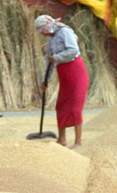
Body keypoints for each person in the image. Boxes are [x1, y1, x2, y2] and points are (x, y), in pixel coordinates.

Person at [34, 15, 88, 149]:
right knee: (62, 106)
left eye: (42, 31)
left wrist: (57, 57)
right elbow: (49, 60)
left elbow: (73, 50)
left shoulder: (65, 32)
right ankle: (62, 139)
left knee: (75, 107)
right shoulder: (52, 38)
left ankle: (78, 142)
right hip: (63, 74)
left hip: (75, 71)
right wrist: (45, 80)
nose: (43, 34)